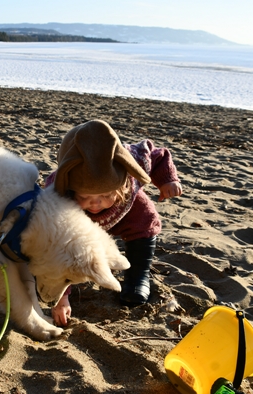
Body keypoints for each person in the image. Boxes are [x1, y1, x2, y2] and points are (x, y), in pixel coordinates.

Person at [44, 120, 183, 327]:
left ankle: (138, 276)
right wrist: (62, 297)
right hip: (82, 222)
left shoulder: (132, 160)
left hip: (128, 211)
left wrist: (167, 180)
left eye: (105, 194)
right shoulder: (59, 194)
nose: (95, 202)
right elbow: (57, 250)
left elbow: (158, 155)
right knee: (67, 244)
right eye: (85, 196)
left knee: (145, 221)